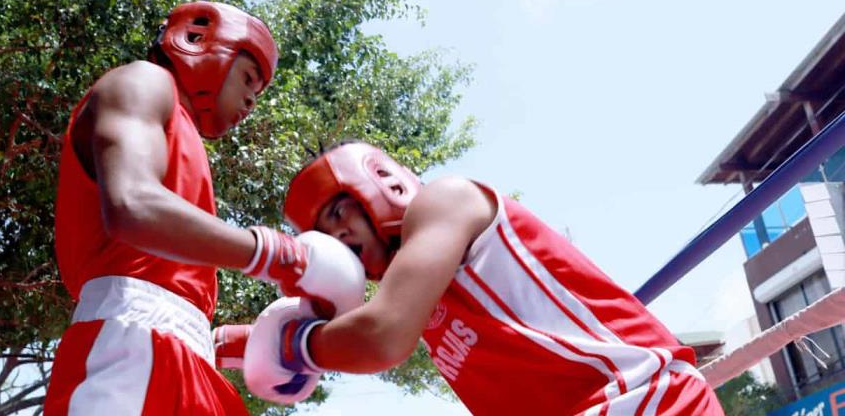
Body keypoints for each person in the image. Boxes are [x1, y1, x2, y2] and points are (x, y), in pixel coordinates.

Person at [250, 140, 725, 415]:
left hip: (647, 401)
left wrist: (293, 345)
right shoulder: (421, 300)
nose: (338, 236)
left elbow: (381, 339)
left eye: (338, 212)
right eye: (324, 234)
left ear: (382, 183)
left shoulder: (446, 200)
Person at [43, 1, 358, 415]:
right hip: (129, 348)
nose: (250, 101)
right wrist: (281, 255)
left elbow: (169, 294)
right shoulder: (143, 81)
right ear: (196, 42)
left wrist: (247, 341)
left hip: (179, 359)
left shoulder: (180, 135)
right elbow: (132, 205)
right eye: (248, 78)